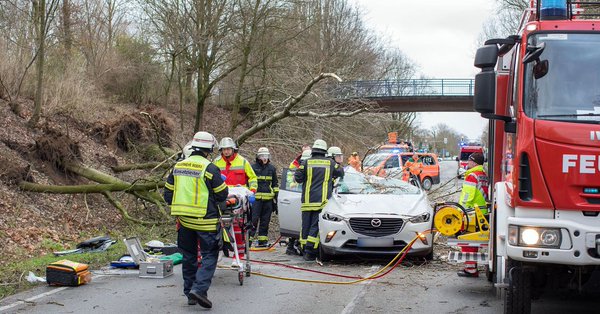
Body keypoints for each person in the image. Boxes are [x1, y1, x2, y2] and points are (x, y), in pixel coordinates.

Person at [163, 131, 228, 309]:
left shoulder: (178, 166)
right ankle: (199, 289)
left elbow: (167, 194)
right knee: (209, 255)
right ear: (210, 149)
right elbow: (222, 193)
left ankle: (190, 293)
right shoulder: (210, 168)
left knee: (189, 256)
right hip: (205, 221)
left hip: (184, 222)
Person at [294, 139, 344, 261]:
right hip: (321, 202)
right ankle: (310, 251)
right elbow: (341, 172)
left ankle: (304, 249)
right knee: (315, 227)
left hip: (307, 201)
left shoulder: (306, 163)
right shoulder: (330, 163)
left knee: (305, 226)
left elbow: (298, 178)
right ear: (324, 151)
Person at [213, 137, 257, 263]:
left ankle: (239, 255)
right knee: (218, 226)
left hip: (238, 199)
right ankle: (220, 250)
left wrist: (252, 191)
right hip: (221, 197)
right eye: (224, 149)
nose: (226, 152)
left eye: (228, 149)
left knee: (238, 227)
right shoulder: (216, 162)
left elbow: (253, 178)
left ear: (233, 149)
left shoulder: (243, 161)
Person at [457, 152, 489, 278]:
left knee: (466, 241)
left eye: (469, 161)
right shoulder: (483, 175)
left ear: (474, 162)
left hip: (472, 213)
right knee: (474, 242)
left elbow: (467, 197)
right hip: (482, 212)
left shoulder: (472, 176)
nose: (467, 163)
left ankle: (470, 269)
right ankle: (472, 267)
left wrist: (461, 211)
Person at [250, 147, 279, 247]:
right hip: (256, 200)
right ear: (258, 157)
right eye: (262, 156)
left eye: (266, 156)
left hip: (268, 201)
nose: (264, 158)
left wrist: (277, 198)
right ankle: (248, 240)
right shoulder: (253, 168)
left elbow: (275, 184)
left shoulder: (272, 168)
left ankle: (262, 241)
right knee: (253, 220)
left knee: (265, 221)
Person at [286, 146, 312, 256]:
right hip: (296, 195)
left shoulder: (310, 163)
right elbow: (289, 179)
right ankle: (293, 245)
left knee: (303, 224)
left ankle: (296, 245)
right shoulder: (295, 164)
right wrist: (296, 184)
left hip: (307, 196)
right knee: (299, 223)